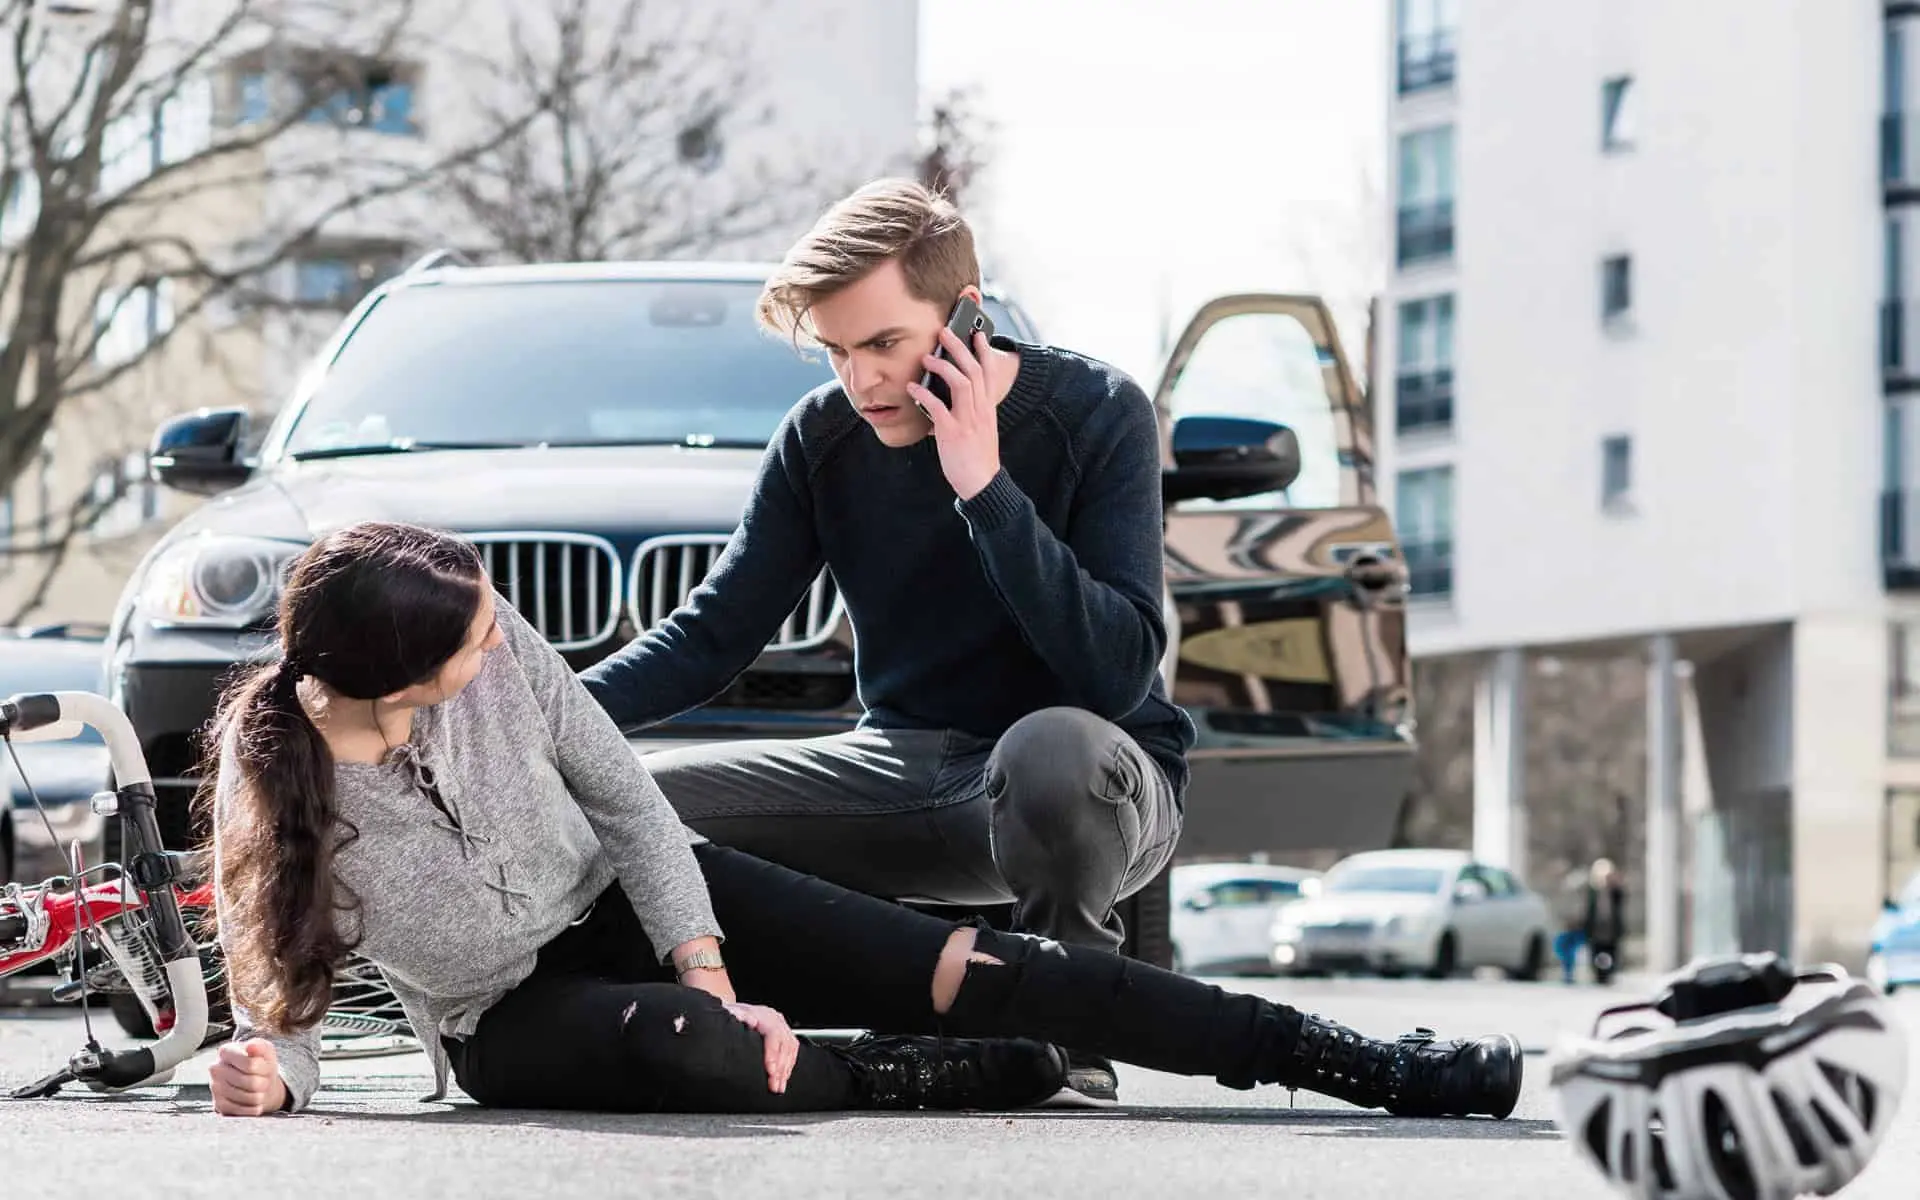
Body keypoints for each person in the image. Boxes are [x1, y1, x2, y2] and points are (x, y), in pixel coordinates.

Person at [202, 522, 1524, 1122]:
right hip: (514, 1020)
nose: (496, 654)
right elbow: (282, 995)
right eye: (467, 649)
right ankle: (906, 1072)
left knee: (1005, 971)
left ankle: (1353, 1061)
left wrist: (708, 961)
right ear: (389, 674)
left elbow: (632, 806)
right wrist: (272, 1077)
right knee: (698, 1054)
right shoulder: (276, 778)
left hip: (639, 903)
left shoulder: (498, 653)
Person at [579, 178, 1195, 1104]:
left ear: (967, 317)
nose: (860, 381)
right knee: (634, 804)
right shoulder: (821, 440)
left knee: (1051, 746)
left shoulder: (1099, 411)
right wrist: (534, 712)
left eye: (883, 345)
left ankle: (1069, 1026)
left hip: (1094, 782)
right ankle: (766, 1012)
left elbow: (1114, 671)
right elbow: (709, 638)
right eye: (834, 352)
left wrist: (984, 488)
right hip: (904, 773)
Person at [1582, 858, 1627, 985]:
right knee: (1597, 952)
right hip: (1596, 928)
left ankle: (1608, 974)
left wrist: (1615, 884)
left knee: (1611, 951)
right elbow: (1587, 911)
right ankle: (1599, 975)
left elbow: (1621, 901)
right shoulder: (1592, 892)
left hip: (1611, 928)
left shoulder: (1615, 892)